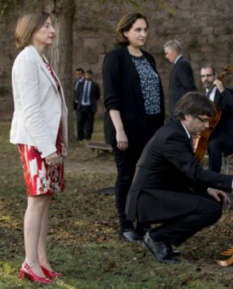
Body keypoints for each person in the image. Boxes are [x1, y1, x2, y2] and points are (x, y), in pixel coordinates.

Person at [125, 92, 233, 264]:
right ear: (187, 115)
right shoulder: (173, 136)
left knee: (214, 202)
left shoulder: (178, 131)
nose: (206, 125)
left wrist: (208, 189)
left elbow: (185, 172)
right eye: (203, 120)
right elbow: (195, 173)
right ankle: (157, 238)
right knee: (209, 210)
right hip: (148, 197)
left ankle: (163, 239)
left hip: (162, 190)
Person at [10, 11, 68, 285]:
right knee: (36, 200)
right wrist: (47, 147)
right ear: (31, 29)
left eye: (52, 25)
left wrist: (58, 143)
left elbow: (54, 106)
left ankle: (42, 260)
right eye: (46, 25)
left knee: (45, 199)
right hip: (35, 141)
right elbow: (31, 109)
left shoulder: (41, 60)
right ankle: (29, 262)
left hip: (48, 140)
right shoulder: (26, 61)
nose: (52, 30)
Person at [102, 12, 165, 242]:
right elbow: (112, 98)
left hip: (150, 129)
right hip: (125, 130)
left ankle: (144, 222)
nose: (143, 34)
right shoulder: (115, 58)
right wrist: (119, 130)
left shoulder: (149, 58)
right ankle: (126, 224)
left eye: (145, 30)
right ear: (125, 31)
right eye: (138, 29)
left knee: (147, 177)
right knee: (127, 176)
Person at [199, 64, 233, 172]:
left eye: (208, 76)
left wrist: (222, 90)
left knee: (213, 144)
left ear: (215, 76)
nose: (205, 79)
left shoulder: (228, 92)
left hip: (225, 135)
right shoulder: (201, 97)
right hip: (207, 134)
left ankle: (215, 179)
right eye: (203, 76)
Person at [164, 39, 197, 116]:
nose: (166, 56)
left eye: (167, 53)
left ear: (174, 51)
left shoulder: (181, 64)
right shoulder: (179, 64)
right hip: (179, 108)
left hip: (181, 108)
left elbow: (189, 86)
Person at [74, 69, 100, 141]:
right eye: (87, 75)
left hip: (90, 106)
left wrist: (92, 101)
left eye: (89, 75)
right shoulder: (80, 84)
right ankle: (80, 136)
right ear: (85, 75)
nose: (88, 76)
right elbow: (78, 94)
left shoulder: (95, 85)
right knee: (80, 121)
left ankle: (88, 136)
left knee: (89, 122)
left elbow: (97, 95)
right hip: (81, 106)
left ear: (92, 76)